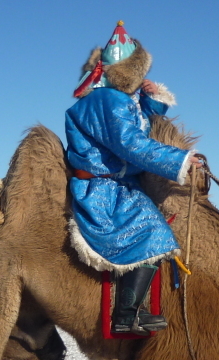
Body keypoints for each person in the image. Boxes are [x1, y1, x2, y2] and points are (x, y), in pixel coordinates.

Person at [65, 21, 203, 335]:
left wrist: (154, 97)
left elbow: (138, 117)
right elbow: (130, 143)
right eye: (138, 74)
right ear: (128, 72)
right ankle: (126, 315)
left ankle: (133, 309)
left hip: (119, 185)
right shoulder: (109, 102)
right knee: (154, 234)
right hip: (104, 189)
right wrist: (179, 160)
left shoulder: (110, 99)